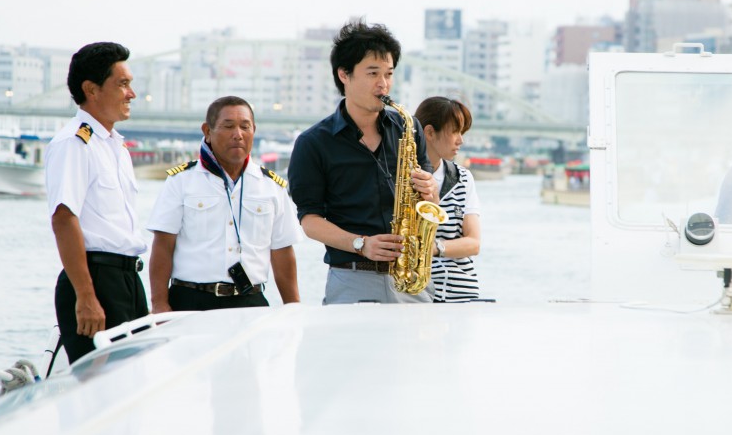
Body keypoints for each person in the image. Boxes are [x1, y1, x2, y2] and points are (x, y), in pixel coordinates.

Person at [287, 20, 439, 304]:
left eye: (389, 74)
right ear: (344, 74)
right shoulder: (313, 143)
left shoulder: (409, 128)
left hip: (412, 279)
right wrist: (361, 244)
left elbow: (431, 205)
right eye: (372, 73)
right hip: (353, 278)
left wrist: (430, 190)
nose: (384, 84)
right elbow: (309, 221)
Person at [45, 42, 148, 364]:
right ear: (91, 89)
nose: (131, 94)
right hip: (96, 280)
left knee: (135, 379)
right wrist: (86, 296)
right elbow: (64, 218)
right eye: (123, 84)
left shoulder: (115, 146)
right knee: (99, 383)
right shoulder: (75, 143)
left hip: (128, 279)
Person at [147, 96, 301, 311]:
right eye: (228, 126)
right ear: (207, 131)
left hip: (250, 302)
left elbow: (282, 252)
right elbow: (163, 246)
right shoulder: (181, 181)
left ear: (254, 130)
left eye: (245, 127)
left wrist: (293, 309)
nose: (238, 134)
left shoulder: (271, 186)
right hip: (191, 300)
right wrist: (159, 303)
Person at [413, 97, 482, 302]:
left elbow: (474, 243)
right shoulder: (401, 177)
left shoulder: (463, 177)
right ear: (429, 132)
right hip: (415, 295)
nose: (460, 140)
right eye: (455, 132)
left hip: (463, 296)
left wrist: (434, 248)